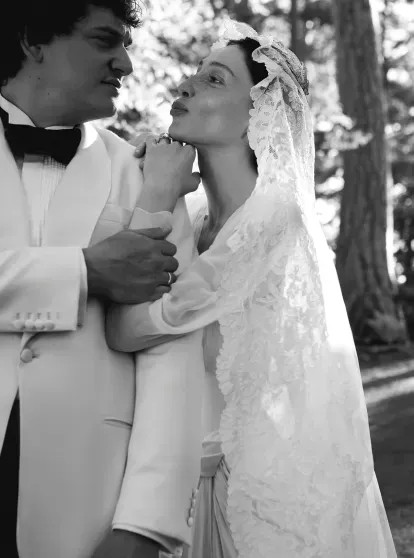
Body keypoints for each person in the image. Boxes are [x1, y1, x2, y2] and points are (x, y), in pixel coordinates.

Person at [106, 20, 398, 558]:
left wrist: (155, 192)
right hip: (179, 482)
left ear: (257, 115)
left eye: (214, 79)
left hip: (248, 500)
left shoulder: (273, 220)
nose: (187, 85)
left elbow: (126, 330)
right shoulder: (195, 216)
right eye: (195, 73)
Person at [0, 1, 204, 557]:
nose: (125, 63)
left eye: (125, 45)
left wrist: (147, 524)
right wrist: (84, 272)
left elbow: (172, 350)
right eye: (104, 40)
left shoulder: (146, 177)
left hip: (88, 504)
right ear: (33, 42)